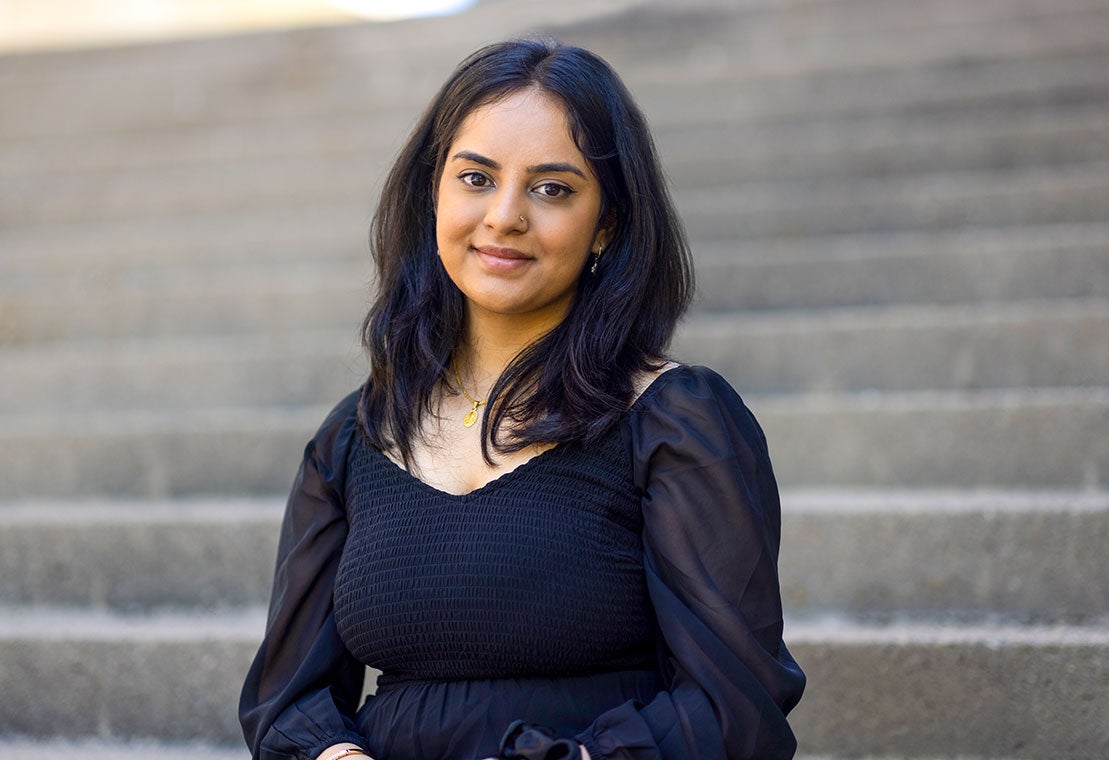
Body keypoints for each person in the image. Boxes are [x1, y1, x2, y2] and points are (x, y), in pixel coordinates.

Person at [238, 37, 805, 760]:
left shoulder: (674, 422)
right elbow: (289, 699)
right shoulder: (357, 435)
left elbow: (734, 704)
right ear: (433, 193)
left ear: (607, 223)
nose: (504, 216)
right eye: (475, 178)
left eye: (551, 189)